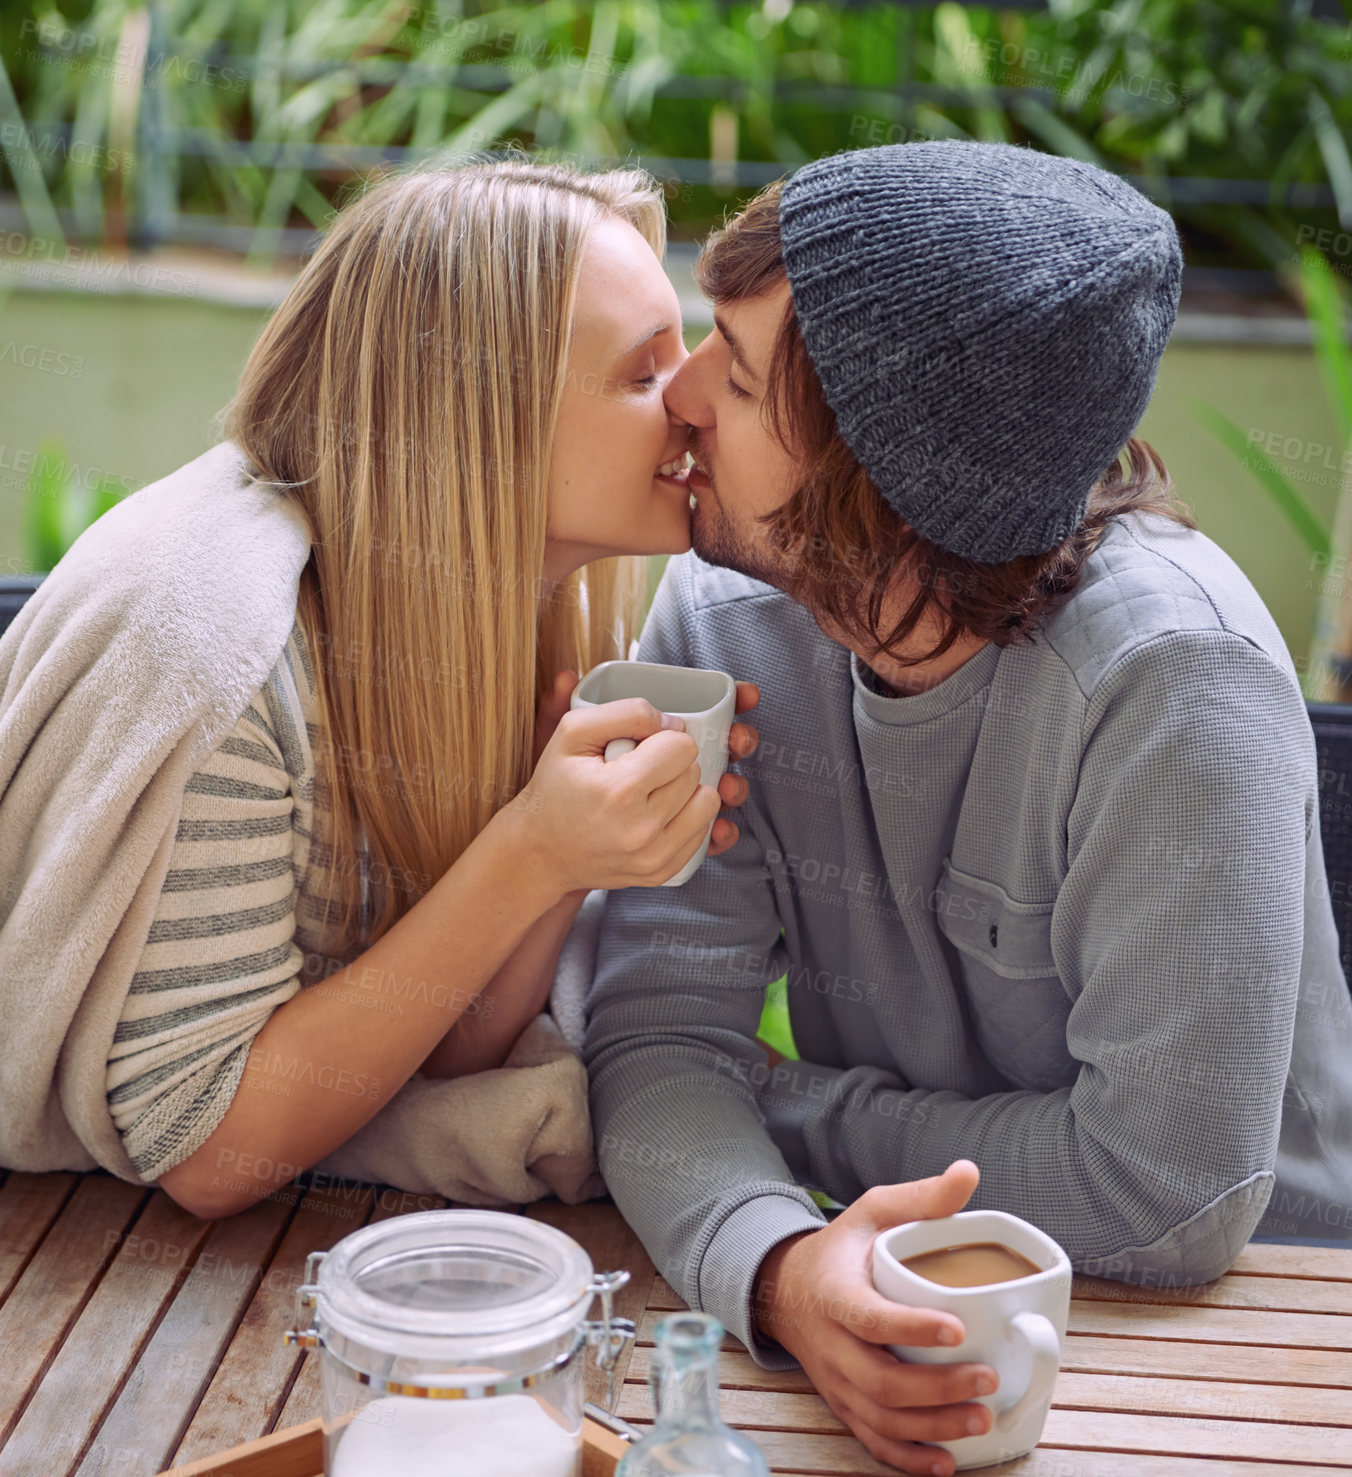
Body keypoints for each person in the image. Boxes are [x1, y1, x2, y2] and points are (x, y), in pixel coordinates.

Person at [582, 140, 1352, 1477]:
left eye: (745, 378)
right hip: (910, 1299)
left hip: (1249, 1348)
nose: (682, 395)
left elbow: (1167, 1195)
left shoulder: (1172, 675)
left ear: (885, 483)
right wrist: (778, 1271)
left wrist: (798, 1110)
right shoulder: (719, 612)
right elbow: (655, 1037)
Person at [0, 158, 761, 1219]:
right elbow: (201, 1143)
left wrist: (564, 857)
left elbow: (432, 1047)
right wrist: (529, 847)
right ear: (471, 414)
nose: (689, 398)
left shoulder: (469, 604)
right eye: (641, 375)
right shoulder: (226, 649)